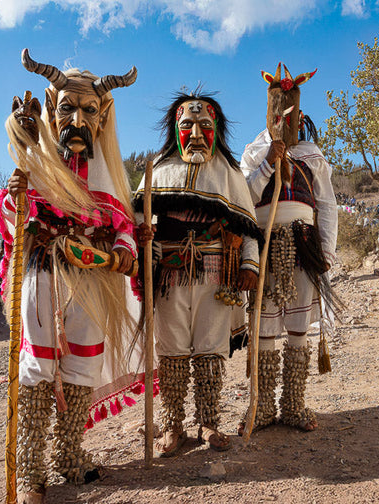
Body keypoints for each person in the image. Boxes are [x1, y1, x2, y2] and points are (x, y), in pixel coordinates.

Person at [0, 50, 141, 503]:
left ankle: (70, 455)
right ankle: (30, 472)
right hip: (44, 275)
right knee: (39, 368)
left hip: (95, 284)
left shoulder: (108, 180)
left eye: (88, 110)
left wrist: (122, 253)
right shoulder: (33, 167)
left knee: (82, 367)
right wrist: (17, 198)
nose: (77, 119)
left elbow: (124, 230)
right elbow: (9, 215)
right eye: (66, 108)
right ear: (50, 107)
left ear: (103, 117)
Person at [133, 91, 261, 457]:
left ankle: (207, 421)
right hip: (169, 273)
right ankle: (172, 425)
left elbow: (247, 225)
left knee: (209, 347)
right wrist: (141, 235)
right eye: (186, 125)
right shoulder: (157, 169)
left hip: (217, 273)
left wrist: (249, 265)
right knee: (171, 349)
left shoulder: (230, 173)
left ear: (216, 130)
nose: (195, 133)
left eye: (205, 125)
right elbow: (139, 219)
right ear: (174, 129)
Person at [240, 63, 340, 435]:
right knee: (264, 329)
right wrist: (268, 163)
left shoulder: (313, 157)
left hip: (303, 247)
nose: (283, 121)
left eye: (290, 115)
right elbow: (244, 198)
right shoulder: (253, 154)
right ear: (268, 114)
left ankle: (293, 405)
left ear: (299, 115)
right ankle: (262, 407)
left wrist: (326, 252)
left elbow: (326, 205)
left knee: (298, 329)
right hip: (266, 248)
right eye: (277, 115)